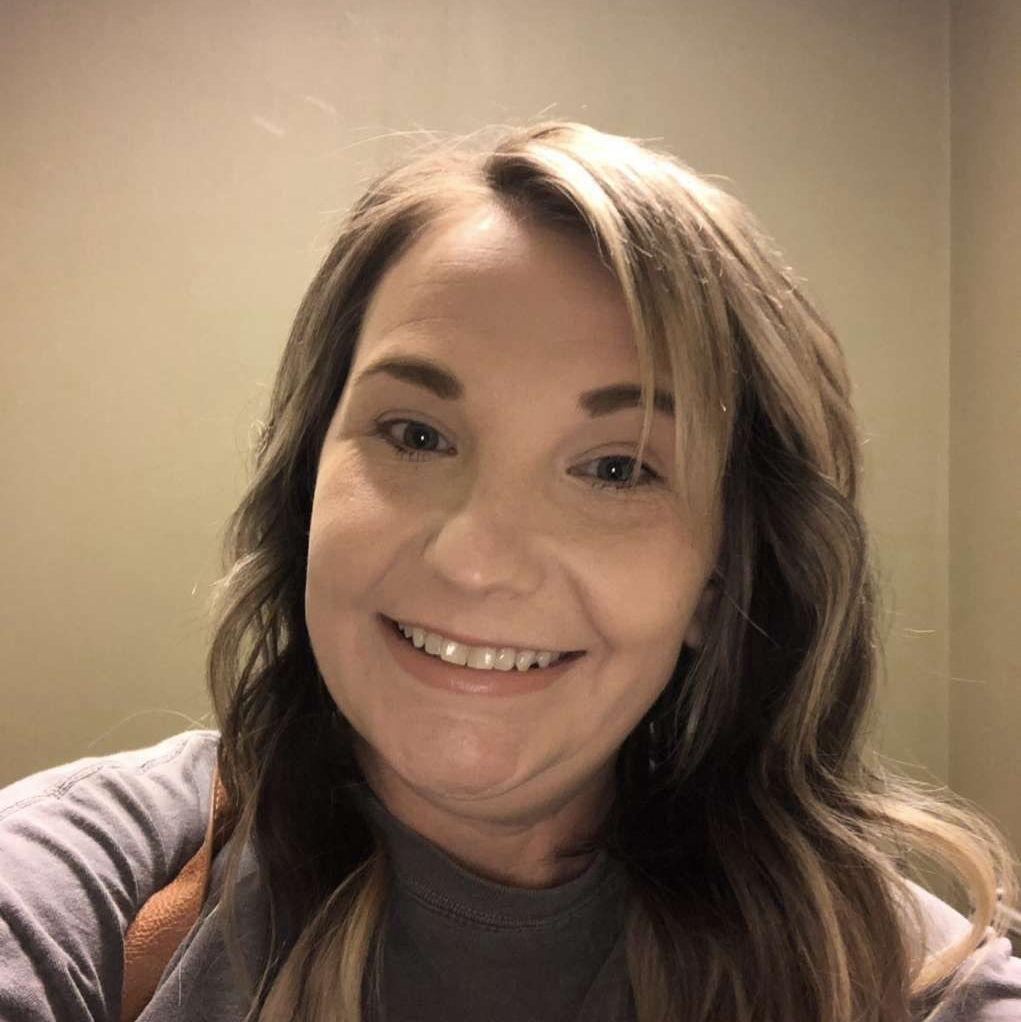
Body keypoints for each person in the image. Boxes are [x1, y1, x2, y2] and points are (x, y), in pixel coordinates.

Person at [1, 121, 1019, 1022]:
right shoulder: (84, 887)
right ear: (309, 481)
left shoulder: (897, 977)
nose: (476, 559)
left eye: (617, 468)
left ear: (719, 578)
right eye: (415, 434)